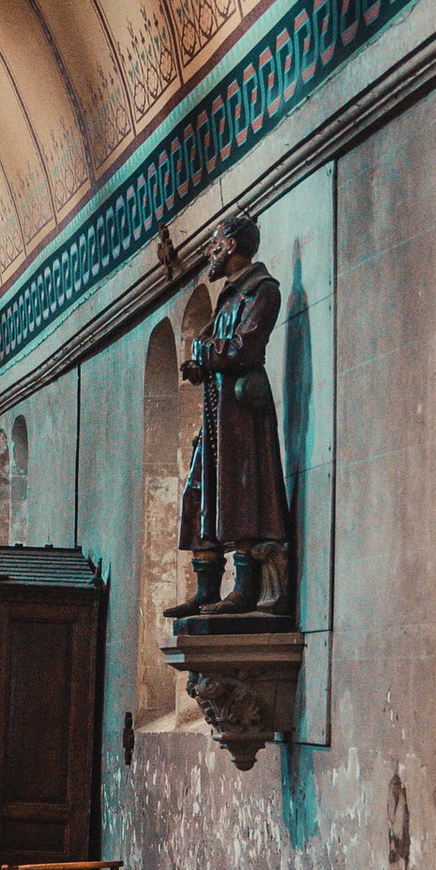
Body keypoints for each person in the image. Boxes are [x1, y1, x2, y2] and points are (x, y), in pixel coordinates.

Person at [179, 210, 293, 614]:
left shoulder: (262, 290)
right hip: (215, 412)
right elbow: (211, 342)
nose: (210, 252)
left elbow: (248, 346)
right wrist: (198, 362)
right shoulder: (229, 295)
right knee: (199, 491)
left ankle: (245, 587)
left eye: (214, 245)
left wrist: (202, 353)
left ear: (231, 245)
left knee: (240, 495)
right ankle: (206, 585)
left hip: (240, 414)